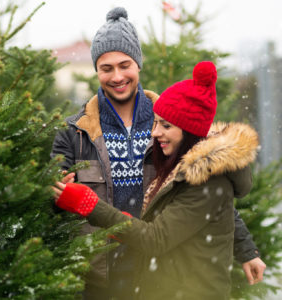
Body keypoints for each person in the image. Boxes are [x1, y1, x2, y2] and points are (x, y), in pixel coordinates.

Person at [50, 7, 266, 299]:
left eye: (124, 64)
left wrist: (245, 249)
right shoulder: (74, 133)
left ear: (138, 63)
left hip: (155, 265)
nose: (117, 76)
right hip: (99, 273)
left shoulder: (173, 122)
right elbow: (53, 197)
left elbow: (206, 184)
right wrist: (59, 193)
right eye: (106, 68)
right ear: (96, 71)